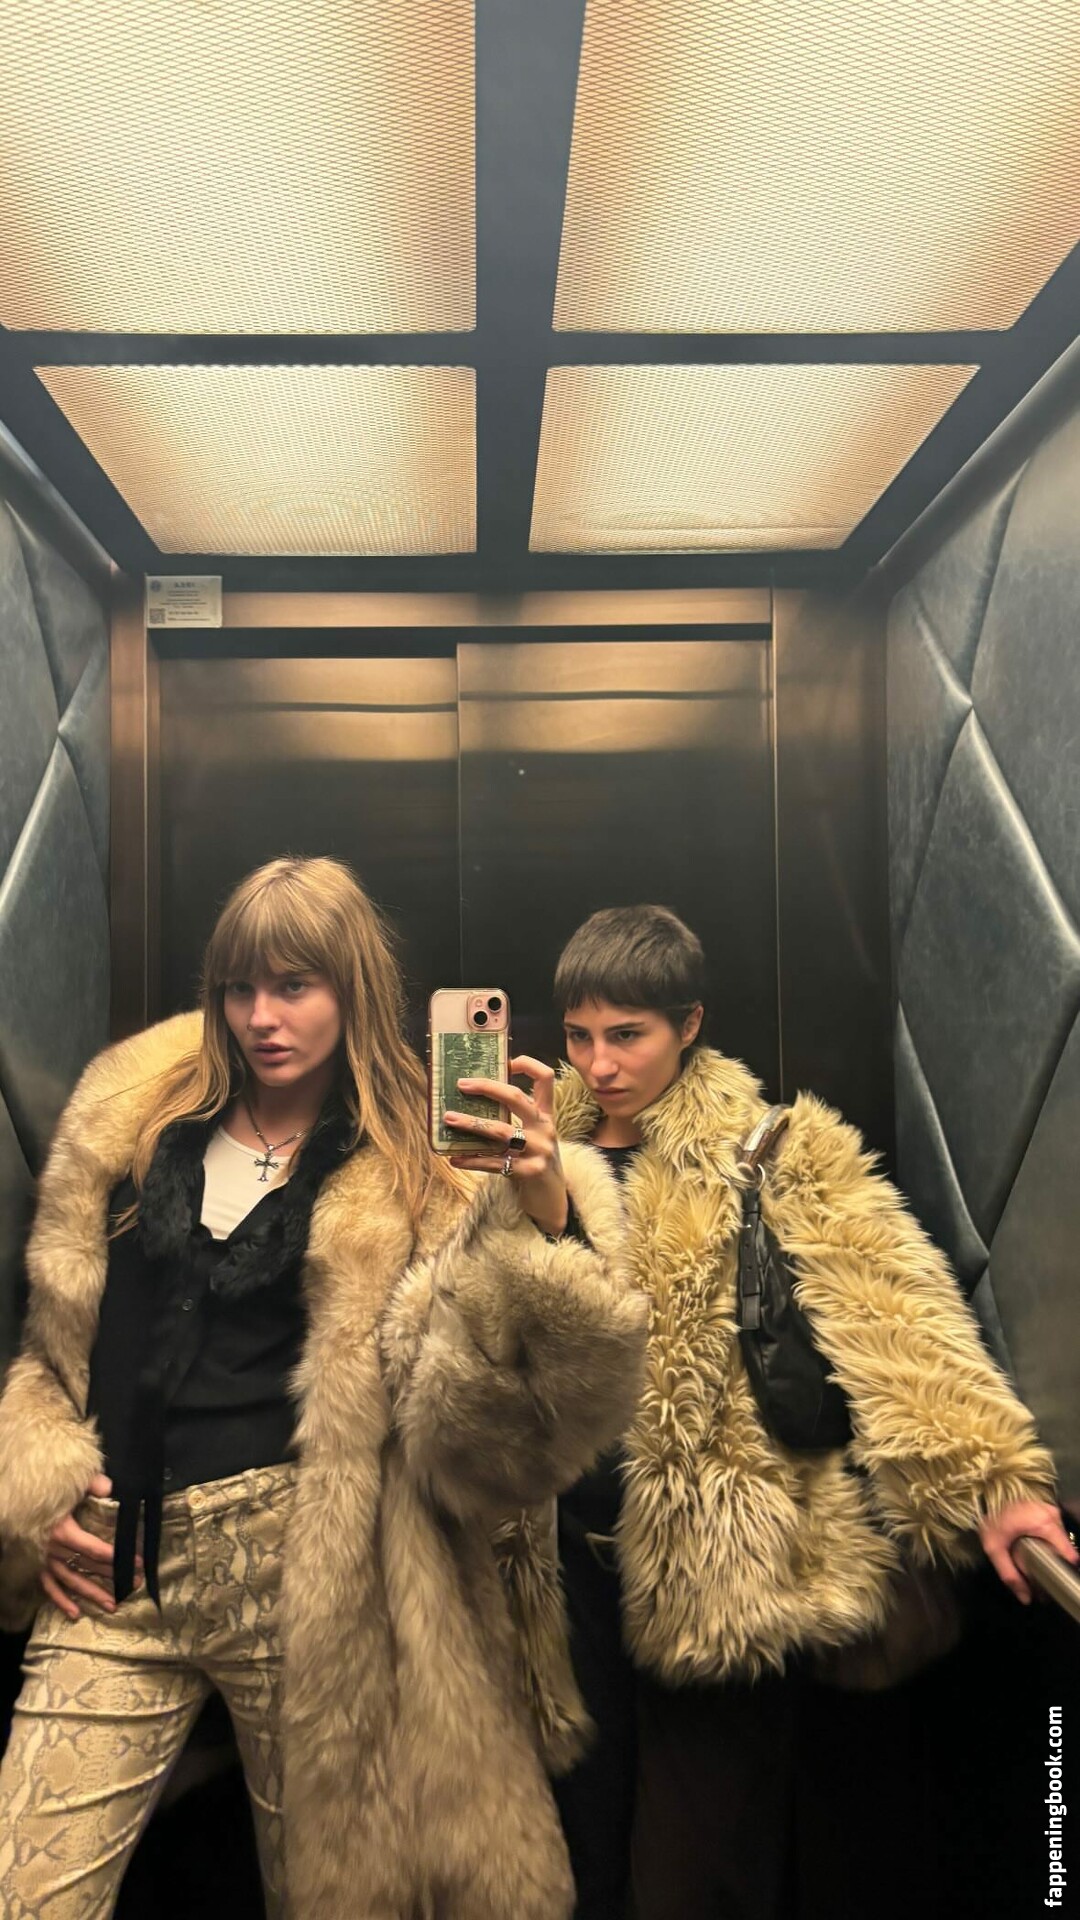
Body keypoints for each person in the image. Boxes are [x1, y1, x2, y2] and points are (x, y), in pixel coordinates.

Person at [0, 857, 646, 1919]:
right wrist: (32, 1486)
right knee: (26, 1889)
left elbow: (480, 1440)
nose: (262, 1017)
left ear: (353, 990)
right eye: (239, 988)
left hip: (308, 1578)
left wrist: (538, 1219)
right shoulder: (133, 1119)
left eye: (294, 986)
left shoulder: (421, 1171)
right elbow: (51, 1355)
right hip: (117, 1572)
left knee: (338, 1897)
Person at [501, 903, 1078, 1920]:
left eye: (628, 1033)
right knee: (566, 1870)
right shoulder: (531, 1151)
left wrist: (990, 1479)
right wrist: (535, 1205)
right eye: (580, 1035)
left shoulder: (773, 1149)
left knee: (697, 1878)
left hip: (717, 1568)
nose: (600, 1064)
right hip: (554, 1575)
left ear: (689, 1024)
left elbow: (888, 1305)